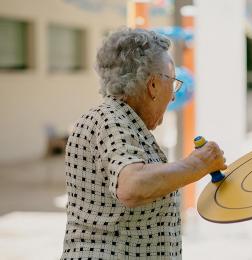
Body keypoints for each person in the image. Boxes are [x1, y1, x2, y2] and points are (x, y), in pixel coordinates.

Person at [61, 27, 227, 259]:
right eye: (173, 83)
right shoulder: (110, 119)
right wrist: (199, 163)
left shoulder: (123, 121)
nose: (172, 96)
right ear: (153, 85)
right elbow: (133, 186)